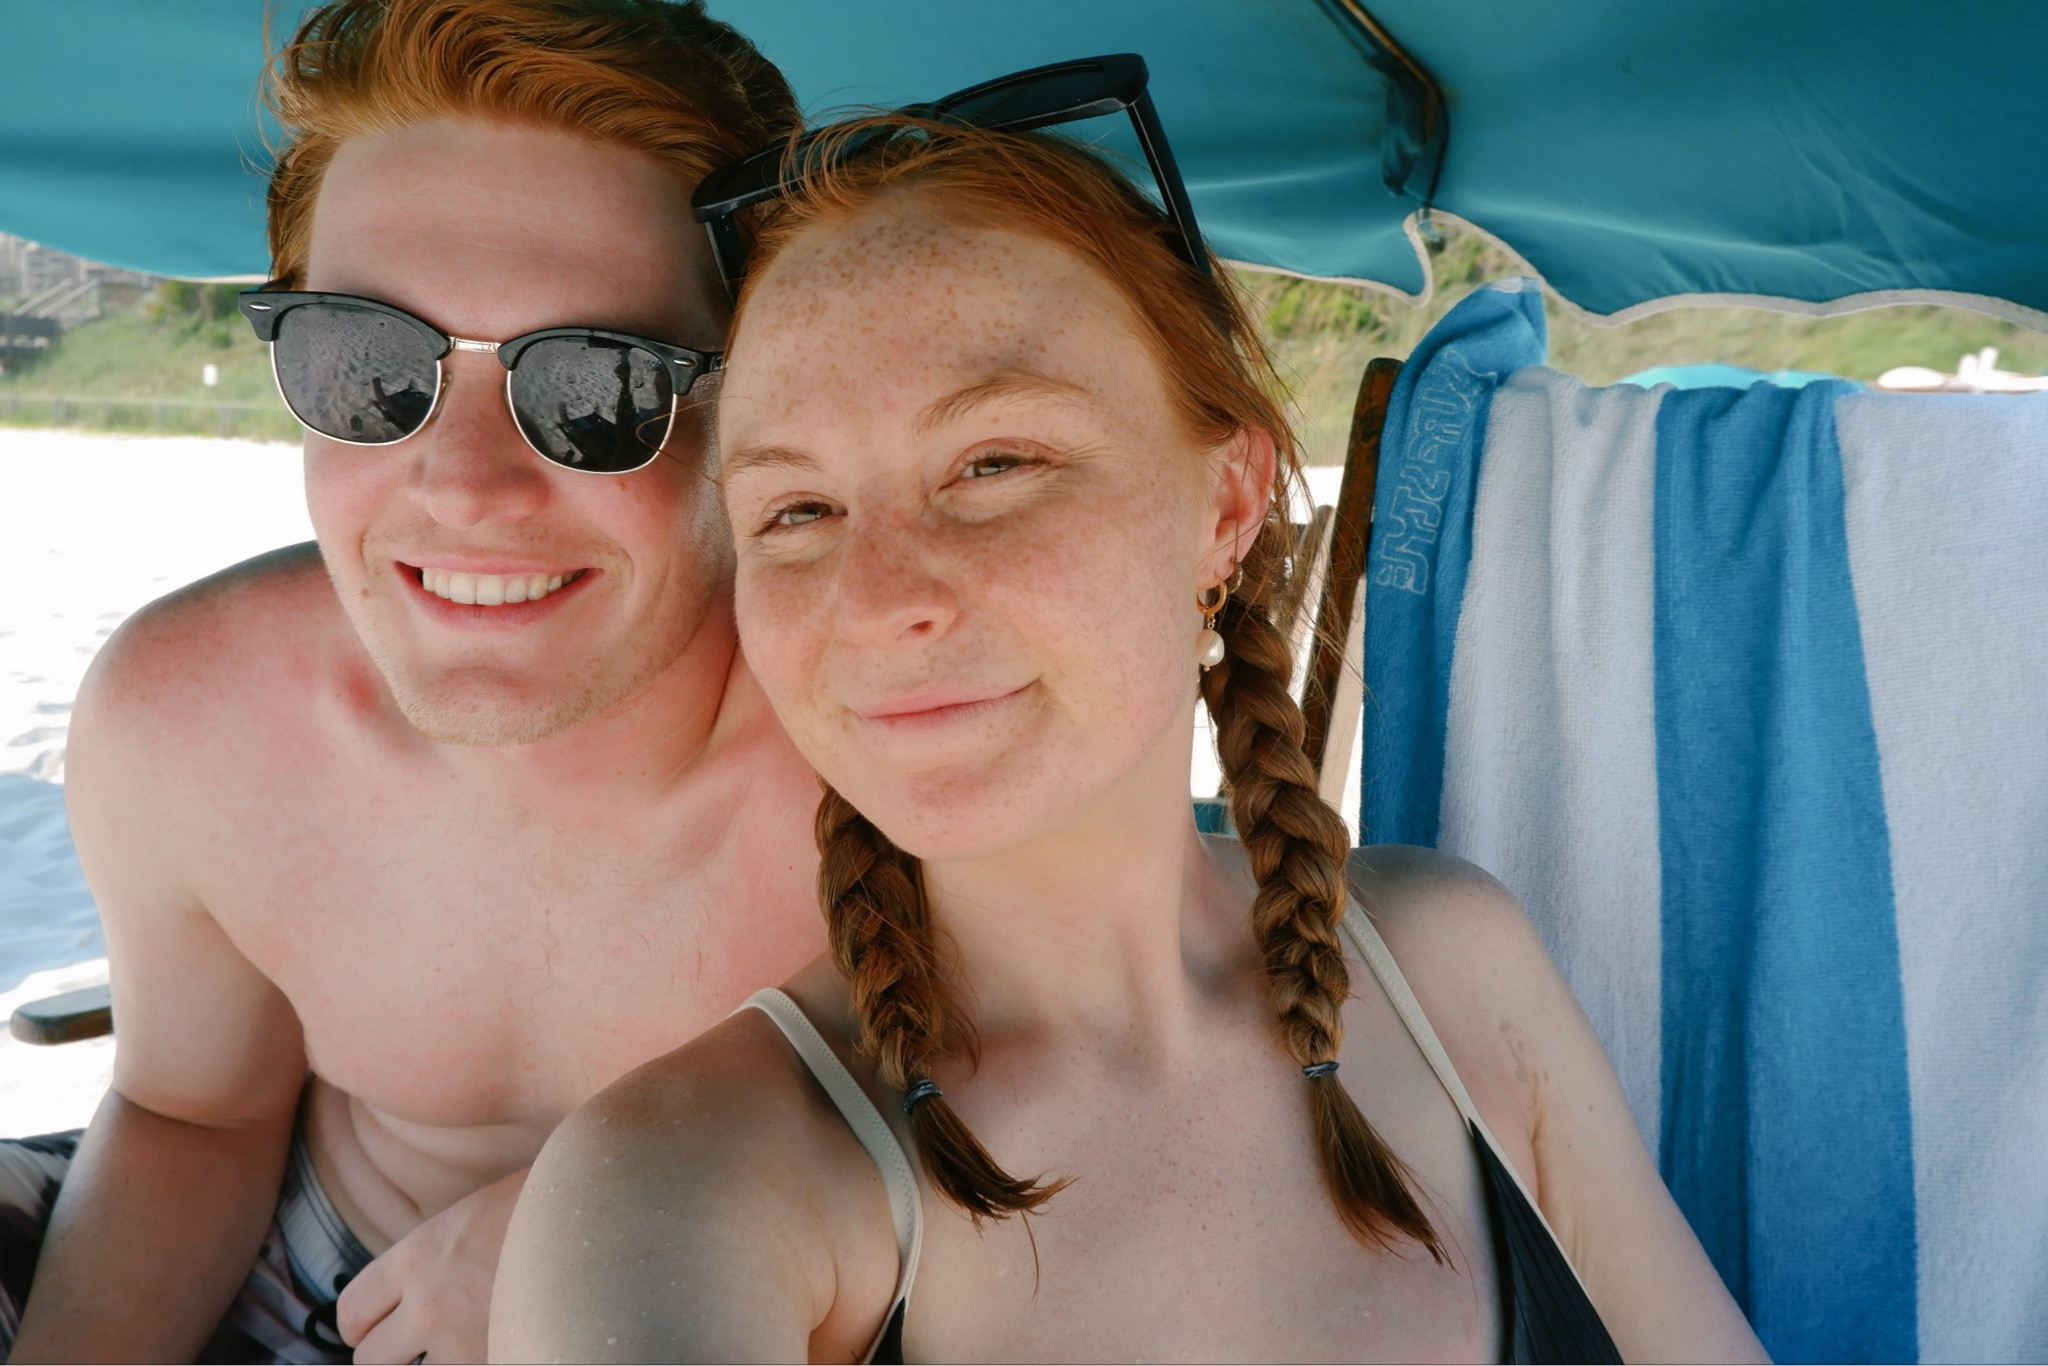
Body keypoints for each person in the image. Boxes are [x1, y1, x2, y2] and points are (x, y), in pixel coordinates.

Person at [491, 111, 1771, 1363]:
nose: (881, 601)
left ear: (1224, 502)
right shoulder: (687, 1187)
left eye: (994, 463)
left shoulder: (1449, 967)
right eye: (798, 508)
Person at [0, 1, 828, 1360]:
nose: (466, 485)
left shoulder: (900, 756)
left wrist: (651, 1209)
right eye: (368, 362)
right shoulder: (193, 722)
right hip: (291, 1246)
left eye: (598, 384)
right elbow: (190, 1116)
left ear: (757, 396)